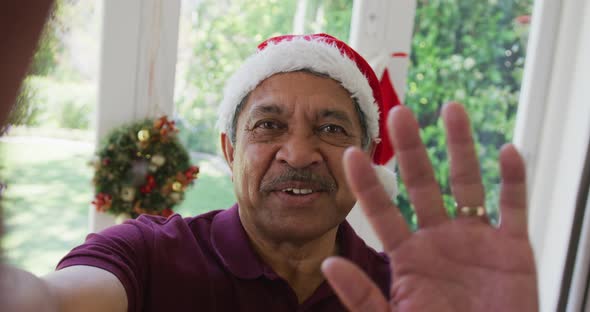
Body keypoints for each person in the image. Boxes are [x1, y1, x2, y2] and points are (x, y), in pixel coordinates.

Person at [0, 4, 538, 311]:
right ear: (230, 150)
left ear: (367, 159)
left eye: (330, 128)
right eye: (269, 125)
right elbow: (50, 303)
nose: (299, 152)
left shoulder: (410, 293)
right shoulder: (145, 256)